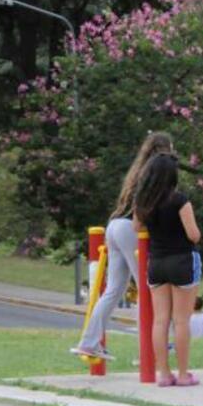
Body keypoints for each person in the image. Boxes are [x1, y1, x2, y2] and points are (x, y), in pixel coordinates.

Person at [71, 132, 173, 360]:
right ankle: (151, 347)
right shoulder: (155, 172)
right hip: (131, 229)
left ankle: (89, 341)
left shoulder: (137, 171)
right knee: (148, 288)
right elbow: (145, 206)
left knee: (113, 290)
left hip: (114, 226)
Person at [133, 153, 202, 387]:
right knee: (181, 320)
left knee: (160, 320)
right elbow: (194, 235)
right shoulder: (180, 200)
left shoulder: (144, 201)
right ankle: (183, 374)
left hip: (157, 262)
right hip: (182, 260)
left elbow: (136, 226)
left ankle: (163, 373)